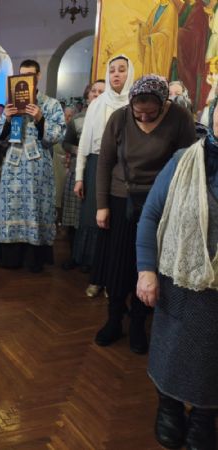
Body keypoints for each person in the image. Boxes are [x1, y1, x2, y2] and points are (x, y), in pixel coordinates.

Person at [136, 99, 218, 450]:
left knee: (212, 357)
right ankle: (168, 408)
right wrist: (146, 271)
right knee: (170, 350)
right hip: (178, 282)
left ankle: (203, 417)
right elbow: (150, 216)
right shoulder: (182, 161)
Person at [94, 75, 196, 354]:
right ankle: (114, 320)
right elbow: (105, 162)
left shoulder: (180, 118)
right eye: (138, 112)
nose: (144, 118)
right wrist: (102, 204)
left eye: (151, 113)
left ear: (164, 104)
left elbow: (187, 162)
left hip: (159, 202)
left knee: (146, 265)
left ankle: (139, 323)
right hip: (120, 198)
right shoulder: (119, 117)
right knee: (118, 264)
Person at [0, 59, 67, 273]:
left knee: (36, 207)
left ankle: (34, 259)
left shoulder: (51, 104)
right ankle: (10, 258)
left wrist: (41, 118)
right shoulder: (11, 104)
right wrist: (7, 119)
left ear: (38, 76)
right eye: (22, 74)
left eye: (30, 74)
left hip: (37, 166)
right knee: (10, 208)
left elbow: (58, 134)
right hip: (13, 166)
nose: (26, 78)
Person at [74, 56, 134, 297]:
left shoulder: (134, 103)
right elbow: (84, 143)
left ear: (130, 73)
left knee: (117, 225)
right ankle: (96, 278)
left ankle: (112, 280)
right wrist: (79, 176)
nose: (116, 74)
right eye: (112, 70)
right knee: (96, 223)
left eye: (121, 70)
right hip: (96, 165)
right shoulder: (97, 104)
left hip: (124, 168)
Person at [61, 81, 106, 272]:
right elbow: (65, 143)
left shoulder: (112, 117)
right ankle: (74, 256)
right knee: (74, 218)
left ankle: (90, 259)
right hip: (77, 173)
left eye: (101, 91)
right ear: (87, 95)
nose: (96, 94)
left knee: (93, 219)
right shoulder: (78, 119)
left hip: (99, 174)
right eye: (93, 91)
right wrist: (79, 150)